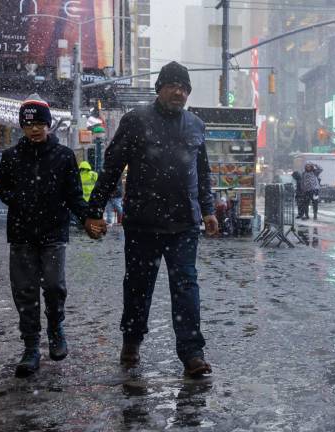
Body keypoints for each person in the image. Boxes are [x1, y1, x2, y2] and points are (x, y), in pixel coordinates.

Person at [84, 61, 219, 377]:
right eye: (173, 85)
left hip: (184, 224)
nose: (179, 92)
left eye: (184, 88)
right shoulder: (135, 121)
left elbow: (202, 173)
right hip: (143, 223)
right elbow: (111, 168)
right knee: (138, 286)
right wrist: (93, 212)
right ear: (160, 88)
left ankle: (192, 353)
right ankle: (131, 343)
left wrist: (209, 210)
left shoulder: (196, 126)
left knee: (186, 287)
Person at [0, 94, 89, 377]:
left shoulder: (64, 157)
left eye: (39, 123)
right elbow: (2, 190)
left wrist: (87, 218)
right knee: (24, 291)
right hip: (21, 233)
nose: (34, 129)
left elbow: (74, 195)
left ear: (49, 125)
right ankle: (31, 346)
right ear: (22, 127)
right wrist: (19, 198)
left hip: (53, 232)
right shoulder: (11, 157)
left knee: (54, 286)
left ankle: (55, 327)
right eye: (28, 124)